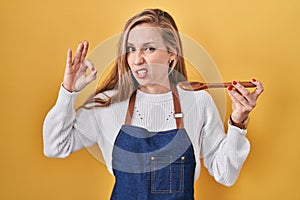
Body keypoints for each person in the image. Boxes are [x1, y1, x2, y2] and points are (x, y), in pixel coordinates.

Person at [43, 8, 264, 200]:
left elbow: (224, 174)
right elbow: (55, 147)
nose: (137, 59)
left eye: (148, 48)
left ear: (172, 54)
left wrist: (238, 122)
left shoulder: (198, 101)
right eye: (130, 49)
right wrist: (68, 92)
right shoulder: (108, 104)